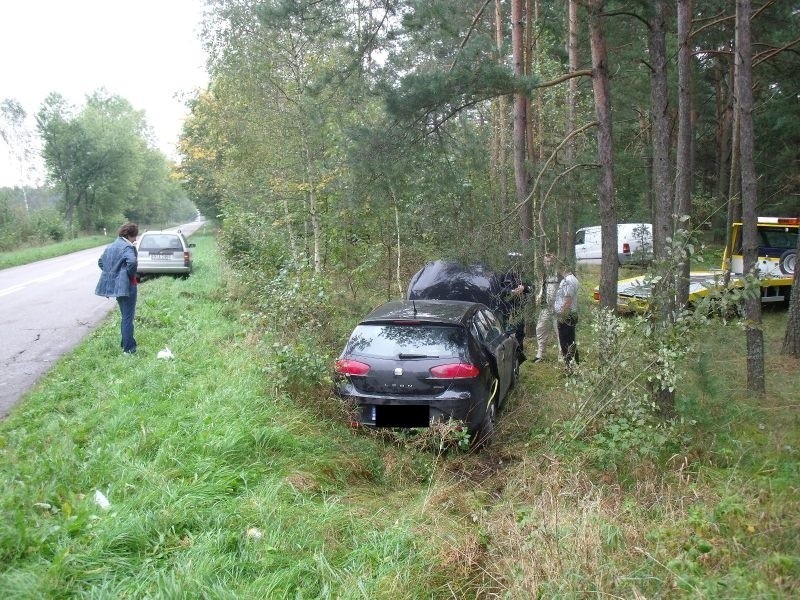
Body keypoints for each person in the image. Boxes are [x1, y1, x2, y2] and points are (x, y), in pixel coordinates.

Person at [95, 222, 139, 354]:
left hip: (118, 287)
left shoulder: (111, 246)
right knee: (127, 318)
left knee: (125, 316)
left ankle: (126, 342)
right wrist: (128, 275)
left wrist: (113, 275)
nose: (136, 239)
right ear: (130, 235)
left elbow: (101, 262)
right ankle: (128, 349)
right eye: (135, 236)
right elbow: (132, 262)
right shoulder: (127, 247)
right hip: (128, 286)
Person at [498, 252, 532, 361]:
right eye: (514, 260)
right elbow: (499, 290)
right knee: (504, 328)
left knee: (520, 329)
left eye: (518, 260)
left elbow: (531, 287)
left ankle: (519, 350)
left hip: (520, 304)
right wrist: (511, 291)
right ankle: (505, 350)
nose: (516, 263)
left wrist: (524, 288)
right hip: (506, 305)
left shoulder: (524, 274)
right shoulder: (504, 273)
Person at [534, 252, 560, 363]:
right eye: (546, 261)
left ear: (554, 262)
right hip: (545, 308)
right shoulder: (543, 274)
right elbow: (542, 288)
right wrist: (539, 296)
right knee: (540, 328)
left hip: (557, 308)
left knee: (559, 332)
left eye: (550, 261)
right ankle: (540, 355)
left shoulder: (559, 275)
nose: (548, 263)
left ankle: (562, 356)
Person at [553, 261, 579, 368]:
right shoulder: (567, 280)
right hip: (566, 315)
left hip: (567, 316)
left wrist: (562, 316)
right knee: (567, 342)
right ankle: (571, 365)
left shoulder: (569, 280)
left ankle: (571, 367)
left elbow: (567, 300)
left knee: (567, 343)